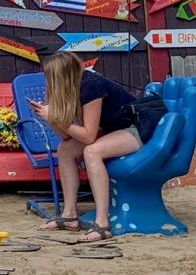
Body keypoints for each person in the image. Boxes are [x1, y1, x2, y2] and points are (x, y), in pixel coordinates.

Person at [30, 52, 142, 242]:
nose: (47, 80)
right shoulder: (69, 88)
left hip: (136, 129)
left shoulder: (91, 86)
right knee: (65, 150)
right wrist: (48, 118)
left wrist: (55, 117)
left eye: (49, 75)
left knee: (92, 152)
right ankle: (69, 215)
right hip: (110, 130)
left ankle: (102, 225)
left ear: (60, 75)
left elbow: (89, 136)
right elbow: (66, 135)